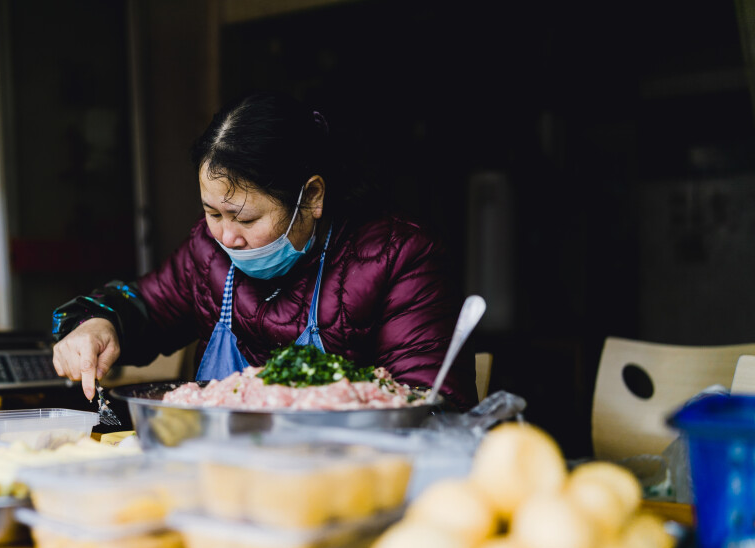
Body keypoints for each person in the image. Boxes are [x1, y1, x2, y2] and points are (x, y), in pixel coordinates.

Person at [51, 91, 477, 409]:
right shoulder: (209, 251)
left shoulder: (399, 256)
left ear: (311, 197)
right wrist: (98, 323)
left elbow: (430, 406)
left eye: (246, 218)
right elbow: (145, 304)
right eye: (212, 213)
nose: (226, 236)